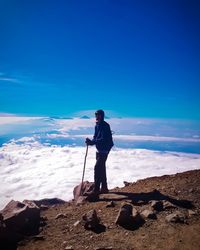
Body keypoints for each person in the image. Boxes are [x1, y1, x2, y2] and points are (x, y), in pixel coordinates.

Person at [85, 110, 114, 195]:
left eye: (98, 115)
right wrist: (91, 142)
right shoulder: (97, 125)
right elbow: (96, 137)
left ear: (102, 116)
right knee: (101, 168)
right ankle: (104, 188)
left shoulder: (105, 126)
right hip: (100, 149)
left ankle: (96, 189)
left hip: (104, 149)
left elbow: (103, 139)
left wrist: (92, 142)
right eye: (96, 115)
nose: (97, 116)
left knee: (97, 168)